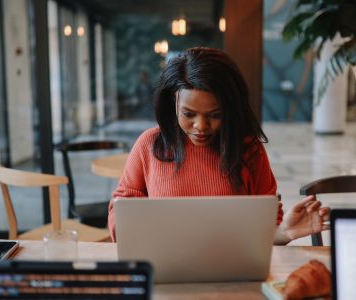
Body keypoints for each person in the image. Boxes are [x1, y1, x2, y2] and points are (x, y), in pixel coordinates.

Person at [108, 47, 330, 244]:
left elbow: (266, 232)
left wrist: (285, 232)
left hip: (234, 273)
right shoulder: (150, 144)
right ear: (172, 103)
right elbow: (120, 214)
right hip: (165, 271)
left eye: (215, 114)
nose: (201, 126)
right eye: (188, 114)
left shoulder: (248, 149)